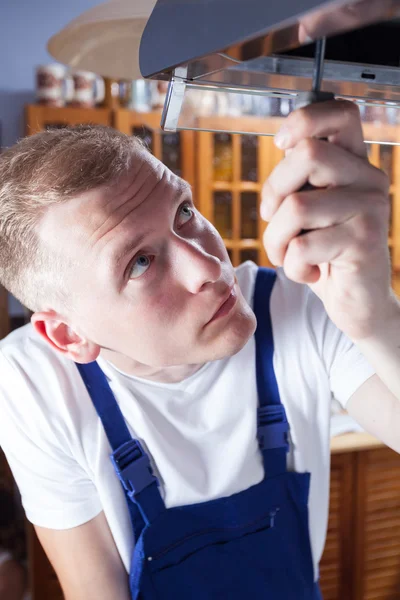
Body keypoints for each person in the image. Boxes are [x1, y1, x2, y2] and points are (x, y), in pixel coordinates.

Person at [0, 99, 399, 600]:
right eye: (140, 263)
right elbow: (95, 590)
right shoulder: (32, 382)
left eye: (183, 212)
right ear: (69, 335)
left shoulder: (299, 299)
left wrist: (376, 316)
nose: (209, 266)